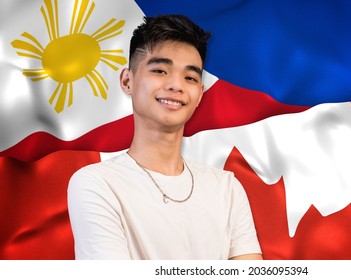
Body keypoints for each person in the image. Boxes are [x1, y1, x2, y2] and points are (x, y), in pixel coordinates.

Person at [67, 15, 262, 260]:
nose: (176, 85)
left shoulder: (227, 187)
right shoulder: (96, 183)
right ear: (128, 80)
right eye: (160, 70)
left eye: (190, 77)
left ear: (199, 94)